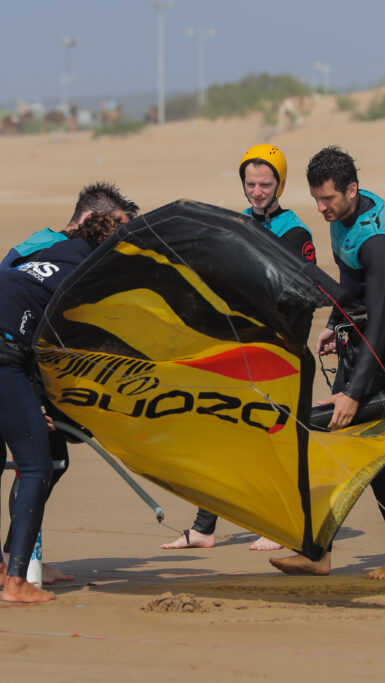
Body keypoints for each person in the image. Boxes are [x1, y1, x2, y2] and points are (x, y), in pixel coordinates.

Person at [0, 211, 122, 603]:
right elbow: (50, 340)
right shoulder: (89, 273)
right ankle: (17, 581)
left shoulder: (50, 249)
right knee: (36, 466)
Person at [270, 145, 385, 580]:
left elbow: (379, 320)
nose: (321, 209)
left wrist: (354, 392)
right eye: (316, 199)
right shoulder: (347, 214)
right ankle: (323, 553)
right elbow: (350, 285)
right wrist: (334, 323)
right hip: (362, 340)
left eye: (329, 200)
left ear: (351, 189)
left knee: (366, 450)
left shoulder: (379, 240)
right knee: (355, 449)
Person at [160, 143, 316, 553]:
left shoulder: (296, 232)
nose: (257, 191)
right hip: (235, 346)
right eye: (251, 183)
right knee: (217, 429)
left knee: (272, 436)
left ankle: (277, 523)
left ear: (280, 183)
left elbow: (303, 295)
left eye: (266, 184)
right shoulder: (237, 223)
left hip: (277, 352)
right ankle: (203, 528)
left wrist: (287, 346)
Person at [0, 181, 138, 583]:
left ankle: (17, 555)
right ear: (91, 220)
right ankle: (18, 563)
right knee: (38, 464)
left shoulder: (84, 252)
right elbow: (10, 309)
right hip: (18, 370)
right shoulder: (37, 248)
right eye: (117, 228)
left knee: (54, 462)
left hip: (54, 372)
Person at [0, 181, 139, 269]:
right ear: (90, 219)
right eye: (114, 227)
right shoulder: (53, 252)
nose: (117, 239)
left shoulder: (44, 239)